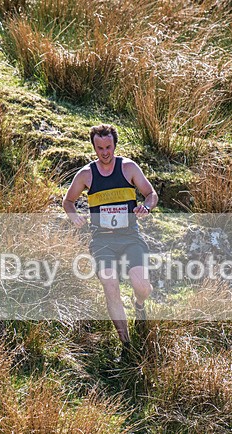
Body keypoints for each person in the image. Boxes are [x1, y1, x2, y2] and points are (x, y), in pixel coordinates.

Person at [63, 124, 158, 356]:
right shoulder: (86, 174)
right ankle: (126, 345)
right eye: (99, 148)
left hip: (130, 237)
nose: (104, 152)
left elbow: (151, 193)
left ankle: (139, 304)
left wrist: (146, 206)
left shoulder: (128, 168)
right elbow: (68, 201)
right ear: (94, 147)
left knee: (142, 286)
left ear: (115, 145)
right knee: (110, 285)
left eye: (108, 147)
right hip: (102, 240)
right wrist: (74, 217)